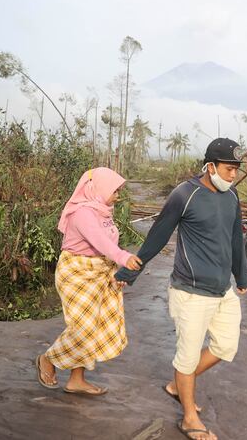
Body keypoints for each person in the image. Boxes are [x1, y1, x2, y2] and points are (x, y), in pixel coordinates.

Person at [115, 138, 247, 440]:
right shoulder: (185, 194)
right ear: (211, 166)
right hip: (190, 292)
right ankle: (189, 418)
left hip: (222, 290)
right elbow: (158, 235)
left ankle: (178, 384)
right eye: (229, 169)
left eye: (236, 171)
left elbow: (235, 238)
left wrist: (241, 277)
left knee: (225, 346)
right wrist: (131, 270)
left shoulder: (232, 196)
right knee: (187, 357)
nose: (232, 176)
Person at [36, 167, 142, 395]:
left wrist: (116, 272)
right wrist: (124, 258)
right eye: (115, 191)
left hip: (99, 270)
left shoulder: (103, 211)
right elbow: (101, 242)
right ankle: (48, 359)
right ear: (99, 189)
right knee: (82, 327)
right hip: (76, 272)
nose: (118, 196)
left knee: (93, 326)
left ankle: (76, 380)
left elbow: (106, 247)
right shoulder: (83, 213)